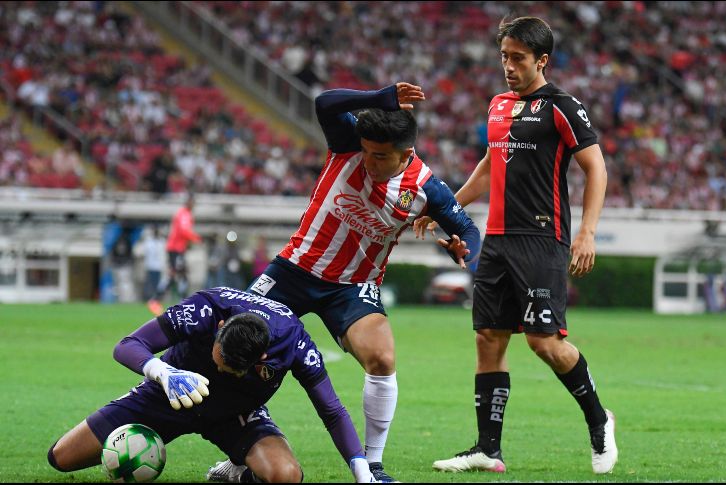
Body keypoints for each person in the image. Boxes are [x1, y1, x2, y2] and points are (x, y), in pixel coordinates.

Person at [208, 82, 481, 483]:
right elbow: (324, 103)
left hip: (352, 287)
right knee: (239, 346)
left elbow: (469, 231)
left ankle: (372, 465)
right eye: (366, 151)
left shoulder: (427, 189)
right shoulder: (348, 144)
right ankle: (239, 456)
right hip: (293, 271)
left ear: (407, 154)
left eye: (380, 156)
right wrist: (382, 97)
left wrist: (463, 251)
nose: (368, 161)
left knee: (382, 358)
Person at [422, 16, 617, 475]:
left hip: (541, 239)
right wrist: (444, 208)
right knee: (489, 338)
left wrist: (587, 232)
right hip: (498, 241)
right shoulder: (497, 105)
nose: (508, 66)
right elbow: (490, 167)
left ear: (542, 60)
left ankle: (599, 420)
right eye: (504, 57)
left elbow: (597, 168)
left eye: (518, 58)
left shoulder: (563, 107)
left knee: (544, 342)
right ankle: (488, 449)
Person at [47, 287, 376, 483]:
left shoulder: (295, 345)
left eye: (227, 369)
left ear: (259, 358)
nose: (217, 368)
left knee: (286, 476)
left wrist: (364, 476)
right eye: (216, 358)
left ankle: (236, 471)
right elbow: (128, 345)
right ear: (219, 327)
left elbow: (332, 411)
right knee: (61, 458)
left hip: (234, 414)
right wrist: (163, 373)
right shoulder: (206, 307)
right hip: (171, 392)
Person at [148, 193, 201, 315]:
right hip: (175, 249)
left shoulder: (183, 213)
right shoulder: (184, 214)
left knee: (177, 274)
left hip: (177, 249)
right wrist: (197, 238)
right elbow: (184, 231)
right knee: (178, 274)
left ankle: (161, 300)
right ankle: (158, 300)